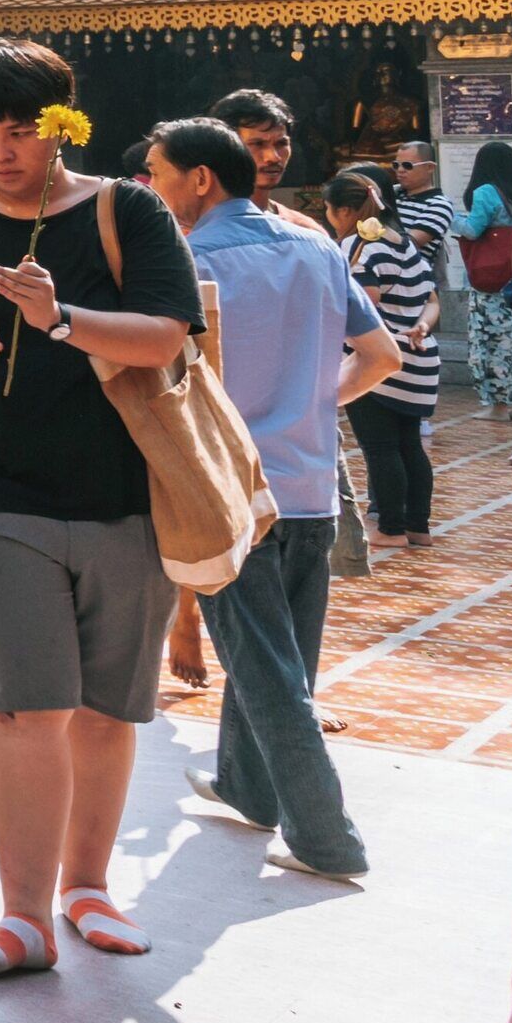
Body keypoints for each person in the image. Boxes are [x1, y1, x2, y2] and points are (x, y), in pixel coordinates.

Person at [0, 41, 201, 975]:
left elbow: (166, 333)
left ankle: (88, 888)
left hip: (123, 492)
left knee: (107, 708)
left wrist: (61, 320)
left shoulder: (124, 209)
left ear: (60, 122)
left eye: (20, 131)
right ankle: (22, 918)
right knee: (27, 704)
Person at [146, 118, 396, 885]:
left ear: (199, 181)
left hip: (234, 494)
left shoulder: (185, 259)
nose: (150, 189)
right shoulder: (319, 246)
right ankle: (247, 786)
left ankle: (326, 839)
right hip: (312, 484)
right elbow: (380, 356)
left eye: (156, 173)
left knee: (268, 672)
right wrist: (316, 406)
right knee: (283, 660)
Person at [332, 168, 440, 550]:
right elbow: (431, 298)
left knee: (380, 447)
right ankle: (417, 527)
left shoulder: (359, 248)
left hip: (377, 360)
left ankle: (391, 528)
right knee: (409, 443)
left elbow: (365, 306)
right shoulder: (403, 242)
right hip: (418, 357)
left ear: (344, 211)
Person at [456, 140, 512, 430]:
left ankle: (497, 406)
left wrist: (451, 218)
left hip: (490, 283)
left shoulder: (485, 192)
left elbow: (472, 230)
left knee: (491, 342)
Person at [209, 89, 330, 233]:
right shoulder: (188, 234)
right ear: (224, 148)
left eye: (281, 144)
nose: (273, 157)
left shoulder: (306, 232)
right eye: (257, 144)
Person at [389, 137, 456, 277]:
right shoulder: (390, 193)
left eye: (407, 165)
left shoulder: (439, 204)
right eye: (396, 165)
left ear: (430, 167)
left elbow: (408, 244)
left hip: (410, 282)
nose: (400, 170)